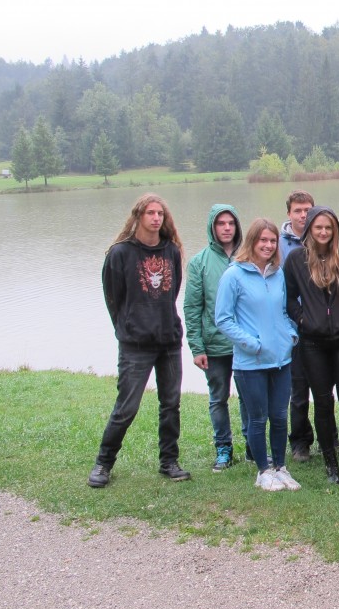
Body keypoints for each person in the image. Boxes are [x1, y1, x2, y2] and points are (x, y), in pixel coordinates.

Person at [89, 194, 190, 488]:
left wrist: (161, 320)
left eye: (160, 213)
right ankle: (103, 463)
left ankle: (169, 461)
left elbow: (172, 292)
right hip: (135, 344)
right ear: (138, 216)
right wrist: (128, 327)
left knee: (170, 404)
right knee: (126, 408)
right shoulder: (120, 253)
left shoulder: (171, 250)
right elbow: (113, 298)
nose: (156, 218)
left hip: (168, 340)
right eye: (150, 213)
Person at [283, 206, 339, 484]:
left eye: (328, 228)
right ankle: (331, 464)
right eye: (318, 227)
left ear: (335, 230)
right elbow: (288, 298)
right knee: (322, 404)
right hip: (313, 343)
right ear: (309, 228)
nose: (323, 232)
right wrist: (303, 320)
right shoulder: (296, 259)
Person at [215, 218, 300, 492]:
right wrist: (252, 344)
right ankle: (263, 470)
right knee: (258, 418)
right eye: (263, 240)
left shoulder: (278, 274)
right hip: (250, 363)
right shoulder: (234, 275)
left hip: (281, 359)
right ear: (252, 241)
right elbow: (223, 319)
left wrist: (291, 335)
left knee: (280, 416)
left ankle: (280, 467)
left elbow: (283, 311)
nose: (268, 245)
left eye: (272, 240)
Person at [184, 203, 249, 472]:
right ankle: (223, 448)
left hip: (245, 344)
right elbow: (192, 307)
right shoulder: (199, 262)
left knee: (249, 398)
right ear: (212, 227)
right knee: (218, 399)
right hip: (214, 345)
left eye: (231, 223)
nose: (226, 228)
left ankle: (253, 445)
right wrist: (196, 347)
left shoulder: (248, 256)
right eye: (221, 223)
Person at [278, 189, 323, 462]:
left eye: (308, 210)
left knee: (324, 389)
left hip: (321, 327)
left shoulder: (324, 238)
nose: (303, 215)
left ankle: (330, 437)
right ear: (289, 213)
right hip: (292, 328)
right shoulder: (279, 245)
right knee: (298, 390)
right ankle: (300, 442)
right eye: (298, 210)